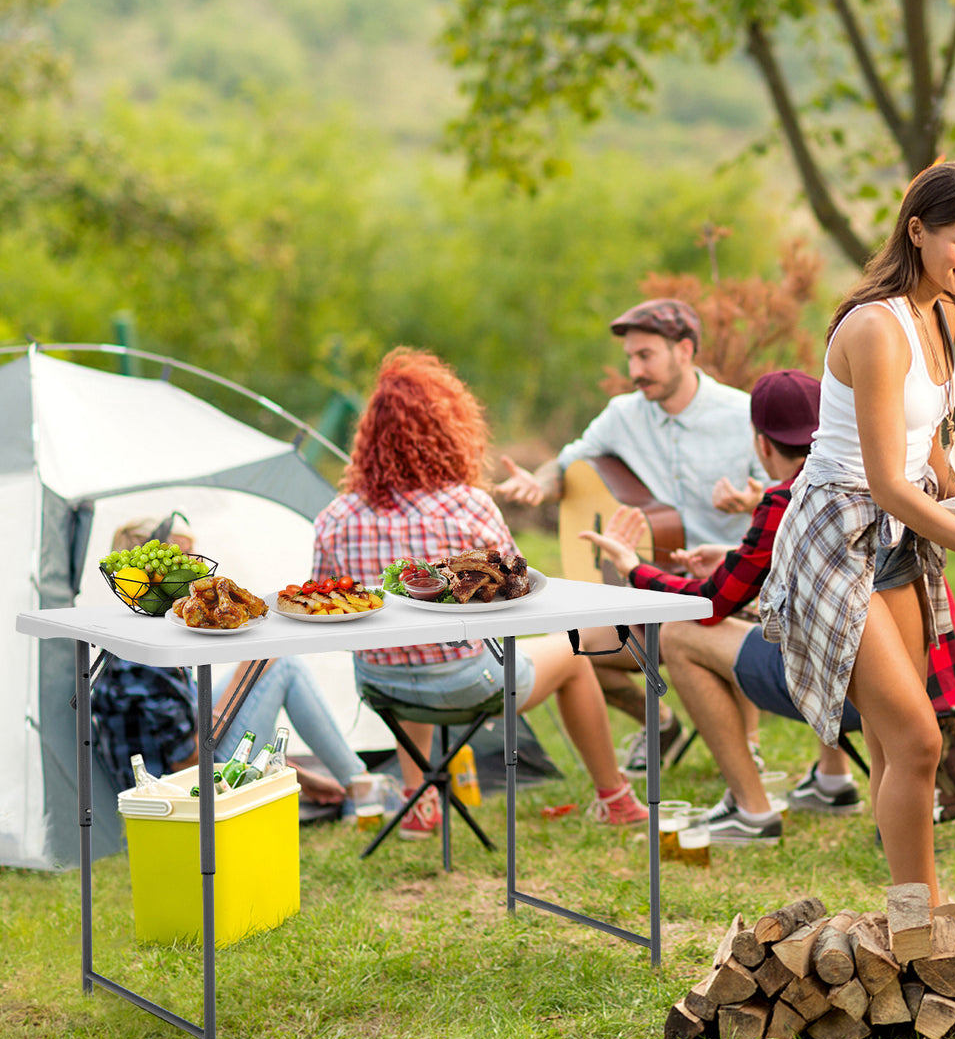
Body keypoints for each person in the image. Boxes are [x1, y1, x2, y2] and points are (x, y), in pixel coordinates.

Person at [758, 161, 955, 908]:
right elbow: (886, 480)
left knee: (900, 742)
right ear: (917, 231)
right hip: (837, 536)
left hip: (897, 540)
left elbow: (923, 444)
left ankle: (909, 912)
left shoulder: (940, 315)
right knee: (920, 741)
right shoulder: (875, 327)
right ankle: (922, 916)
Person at [312, 346, 648, 838]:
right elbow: (517, 595)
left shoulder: (336, 516)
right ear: (449, 430)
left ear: (369, 440)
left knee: (407, 644)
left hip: (380, 685)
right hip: (468, 683)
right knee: (574, 657)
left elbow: (331, 611)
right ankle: (615, 798)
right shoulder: (468, 506)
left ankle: (420, 799)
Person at [579, 369, 864, 846]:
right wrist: (731, 558)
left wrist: (632, 570)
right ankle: (832, 782)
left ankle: (752, 811)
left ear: (762, 445)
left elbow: (710, 604)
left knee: (680, 635)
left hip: (842, 692)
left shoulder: (783, 499)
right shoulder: (861, 478)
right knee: (824, 611)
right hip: (903, 683)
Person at [496, 297, 767, 772]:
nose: (635, 370)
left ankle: (748, 749)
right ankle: (658, 723)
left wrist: (752, 499)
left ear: (684, 351)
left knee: (725, 631)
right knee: (572, 646)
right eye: (630, 358)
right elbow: (565, 465)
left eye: (647, 356)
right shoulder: (623, 414)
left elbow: (784, 494)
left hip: (726, 589)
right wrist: (537, 485)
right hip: (648, 587)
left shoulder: (741, 414)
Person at [94, 517, 372, 808]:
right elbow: (187, 761)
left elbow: (193, 724)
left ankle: (358, 784)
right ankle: (362, 790)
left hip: (195, 753)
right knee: (276, 666)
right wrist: (243, 678)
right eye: (182, 558)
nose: (196, 568)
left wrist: (299, 778)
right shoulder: (142, 662)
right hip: (183, 789)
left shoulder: (152, 629)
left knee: (272, 663)